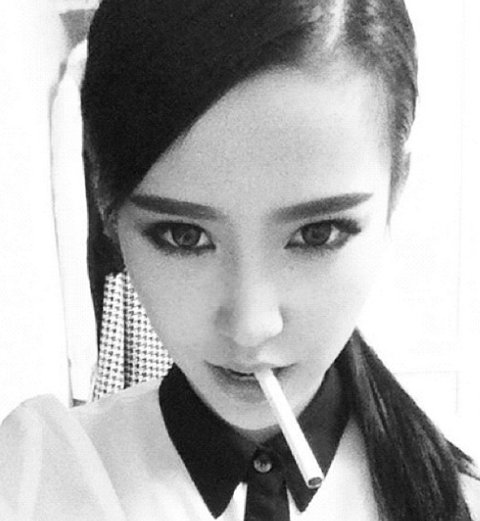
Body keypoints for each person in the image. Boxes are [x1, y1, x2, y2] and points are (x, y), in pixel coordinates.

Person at [1, 0, 479, 519]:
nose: (252, 327)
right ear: (108, 211)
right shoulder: (38, 478)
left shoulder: (464, 493)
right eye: (184, 236)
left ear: (395, 193)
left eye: (317, 233)